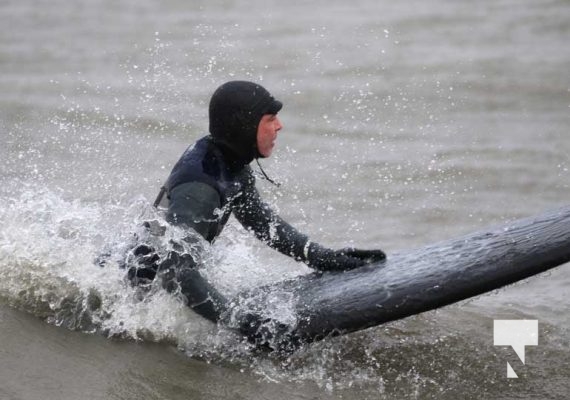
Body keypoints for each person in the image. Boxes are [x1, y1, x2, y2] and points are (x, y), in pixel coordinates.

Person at [129, 80, 385, 342]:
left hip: (148, 290)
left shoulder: (228, 160)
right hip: (129, 302)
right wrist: (242, 323)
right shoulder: (200, 189)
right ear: (245, 125)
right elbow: (175, 274)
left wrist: (320, 257)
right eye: (271, 118)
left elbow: (262, 222)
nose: (279, 126)